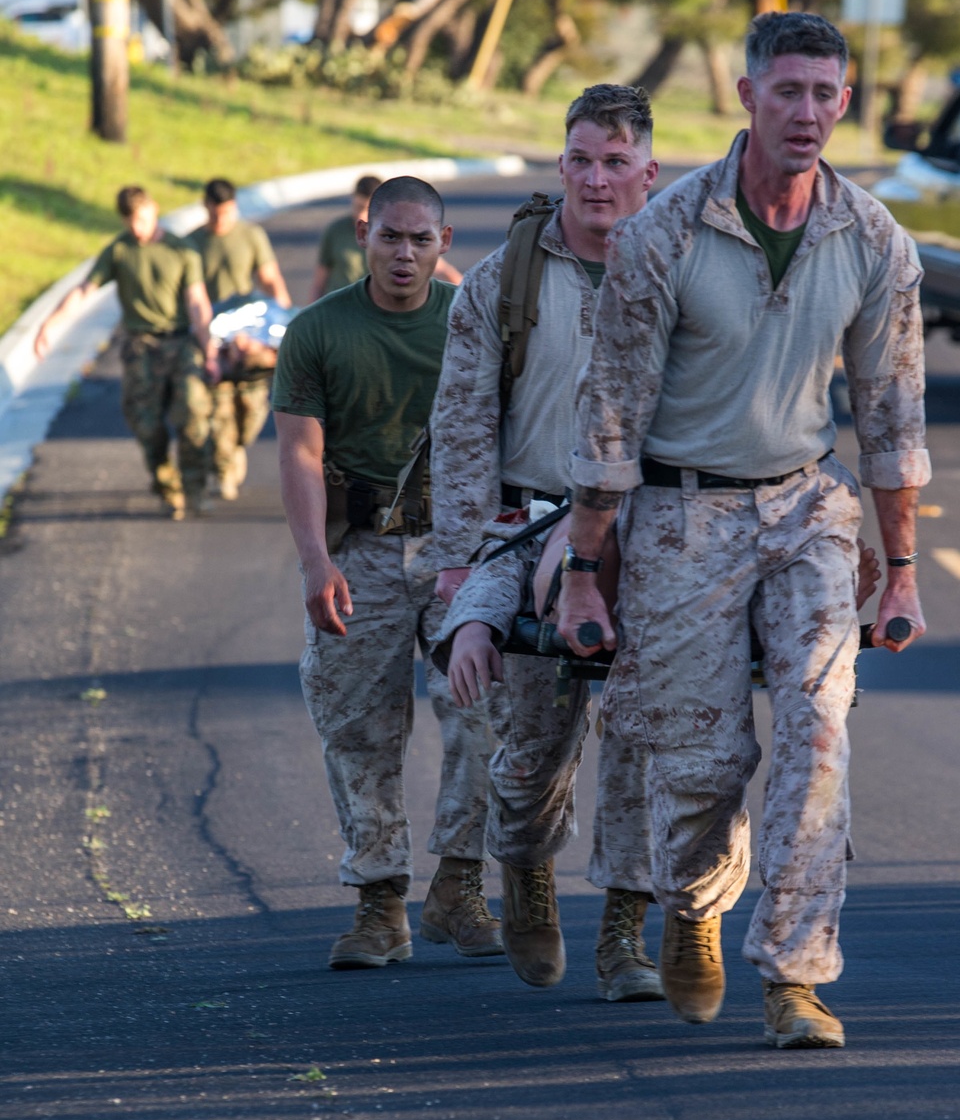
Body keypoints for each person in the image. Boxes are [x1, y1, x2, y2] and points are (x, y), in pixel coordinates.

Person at [554, 11, 929, 1049]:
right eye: (787, 92)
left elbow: (893, 421)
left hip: (805, 509)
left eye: (824, 94)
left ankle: (797, 977)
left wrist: (898, 572)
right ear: (746, 96)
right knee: (702, 764)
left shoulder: (871, 241)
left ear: (843, 103)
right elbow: (609, 422)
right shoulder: (661, 235)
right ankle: (691, 902)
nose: (805, 113)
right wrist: (584, 571)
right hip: (680, 517)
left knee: (817, 740)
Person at [430, 85, 664, 1001]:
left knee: (646, 741)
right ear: (559, 163)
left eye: (615, 162)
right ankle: (525, 870)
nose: (595, 179)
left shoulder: (680, 271)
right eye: (579, 159)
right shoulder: (504, 280)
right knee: (530, 756)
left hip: (652, 534)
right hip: (526, 529)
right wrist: (460, 565)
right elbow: (459, 426)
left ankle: (624, 934)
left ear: (649, 171)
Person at [273, 176, 503, 970]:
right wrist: (316, 561)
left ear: (444, 245)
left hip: (460, 550)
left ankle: (459, 887)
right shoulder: (318, 330)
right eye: (389, 237)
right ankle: (380, 904)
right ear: (364, 234)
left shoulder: (474, 324)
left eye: (421, 240)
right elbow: (300, 451)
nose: (403, 254)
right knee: (357, 722)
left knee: (483, 713)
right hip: (360, 549)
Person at [34, 186, 218, 519]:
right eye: (130, 222)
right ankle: (167, 485)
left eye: (143, 220)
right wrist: (51, 324)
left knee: (192, 413)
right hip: (140, 347)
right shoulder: (119, 251)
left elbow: (197, 301)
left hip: (179, 343)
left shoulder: (181, 249)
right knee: (146, 425)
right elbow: (84, 290)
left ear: (155, 211)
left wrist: (209, 349)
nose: (138, 229)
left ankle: (196, 487)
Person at [187, 178, 292, 501]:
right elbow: (192, 297)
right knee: (218, 410)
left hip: (250, 337)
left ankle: (237, 448)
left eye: (228, 213)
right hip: (210, 337)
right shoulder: (191, 244)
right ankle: (223, 470)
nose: (222, 220)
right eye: (216, 214)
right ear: (205, 208)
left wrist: (286, 324)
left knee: (250, 411)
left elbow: (270, 279)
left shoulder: (250, 236)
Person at [310, 174, 463, 303]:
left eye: (368, 210)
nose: (405, 253)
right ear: (362, 234)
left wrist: (469, 296)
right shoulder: (336, 230)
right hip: (342, 310)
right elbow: (320, 278)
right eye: (359, 208)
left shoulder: (403, 232)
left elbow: (443, 269)